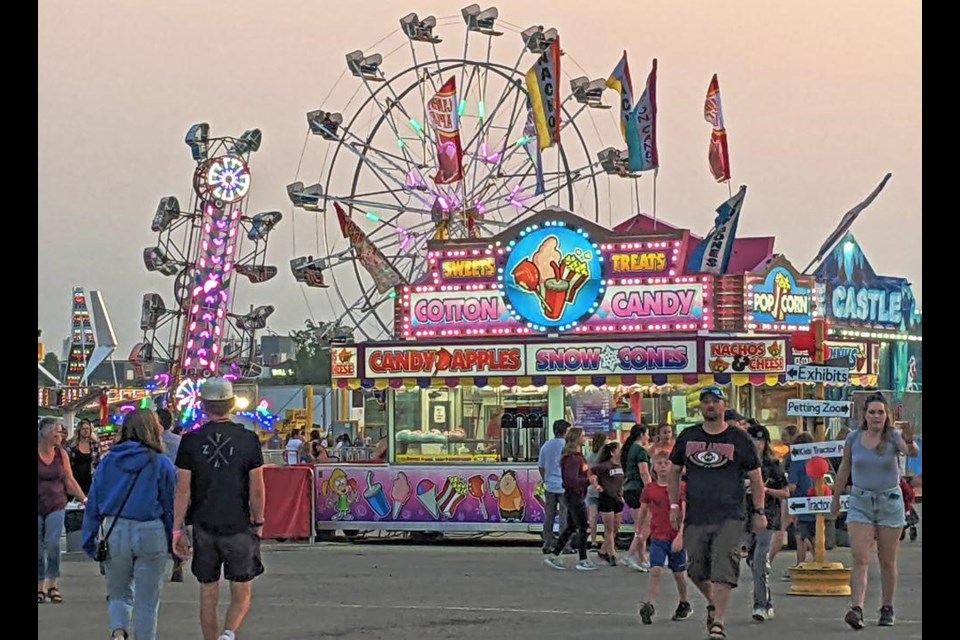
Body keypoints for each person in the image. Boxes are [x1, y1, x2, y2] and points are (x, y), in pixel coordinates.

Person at [668, 386, 765, 640]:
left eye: (715, 401)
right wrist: (674, 506)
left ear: (724, 405)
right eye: (706, 402)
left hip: (730, 514)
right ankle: (713, 602)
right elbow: (673, 470)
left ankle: (718, 622)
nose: (710, 405)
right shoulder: (688, 436)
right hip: (697, 514)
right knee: (695, 569)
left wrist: (759, 511)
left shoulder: (739, 439)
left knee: (724, 565)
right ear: (701, 407)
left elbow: (756, 478)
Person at [173, 378, 266, 640]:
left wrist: (176, 529)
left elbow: (183, 490)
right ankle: (229, 633)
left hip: (204, 524)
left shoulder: (190, 441)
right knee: (242, 591)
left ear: (204, 405)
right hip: (239, 523)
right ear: (231, 404)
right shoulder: (248, 440)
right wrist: (258, 520)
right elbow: (257, 487)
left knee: (208, 592)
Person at [82, 410, 177, 640]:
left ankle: (118, 632)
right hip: (151, 530)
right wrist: (174, 537)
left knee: (118, 594)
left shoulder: (108, 462)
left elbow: (94, 501)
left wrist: (90, 538)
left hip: (116, 529)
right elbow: (169, 504)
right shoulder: (161, 463)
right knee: (147, 601)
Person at [831, 392, 919, 629]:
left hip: (889, 501)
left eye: (881, 412)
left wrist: (910, 442)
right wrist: (836, 497)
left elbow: (910, 452)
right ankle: (856, 608)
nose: (876, 416)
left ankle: (887, 607)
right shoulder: (853, 438)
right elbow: (845, 467)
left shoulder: (893, 437)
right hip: (861, 501)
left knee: (887, 560)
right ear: (865, 415)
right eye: (872, 412)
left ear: (886, 415)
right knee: (860, 557)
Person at [638, 449, 691, 624]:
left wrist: (681, 536)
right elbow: (645, 511)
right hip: (658, 537)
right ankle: (650, 604)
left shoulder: (680, 488)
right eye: (659, 463)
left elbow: (685, 513)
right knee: (656, 570)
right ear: (653, 466)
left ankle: (684, 602)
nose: (662, 467)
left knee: (679, 573)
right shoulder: (650, 489)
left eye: (666, 463)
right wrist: (640, 533)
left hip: (675, 536)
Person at [38, 417, 87, 604]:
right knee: (38, 547)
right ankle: (40, 586)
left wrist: (84, 499)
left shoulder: (62, 454)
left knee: (53, 544)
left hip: (56, 504)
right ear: (45, 432)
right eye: (57, 431)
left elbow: (69, 480)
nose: (61, 434)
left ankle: (53, 584)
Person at [746, 422, 789, 622]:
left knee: (760, 561)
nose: (757, 444)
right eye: (753, 440)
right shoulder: (742, 464)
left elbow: (786, 492)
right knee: (752, 560)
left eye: (760, 440)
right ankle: (767, 598)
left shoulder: (773, 465)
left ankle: (760, 604)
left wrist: (766, 490)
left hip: (768, 516)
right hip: (745, 516)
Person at [543, 427, 596, 571]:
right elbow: (571, 480)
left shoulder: (577, 457)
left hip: (576, 494)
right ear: (576, 438)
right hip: (574, 495)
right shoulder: (572, 459)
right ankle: (583, 559)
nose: (585, 438)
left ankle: (554, 555)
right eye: (583, 436)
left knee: (571, 527)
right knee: (583, 527)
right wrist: (587, 481)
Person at [157, 408, 186, 583]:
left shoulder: (152, 443)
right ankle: (178, 561)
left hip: (157, 489)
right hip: (177, 489)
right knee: (176, 524)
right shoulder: (179, 441)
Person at [621, 423, 653, 571]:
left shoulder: (629, 450)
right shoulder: (640, 451)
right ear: (641, 435)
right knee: (645, 526)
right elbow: (644, 472)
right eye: (647, 434)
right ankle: (631, 554)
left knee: (639, 526)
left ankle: (642, 558)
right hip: (639, 490)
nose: (648, 437)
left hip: (629, 489)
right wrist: (651, 489)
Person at [537, 420, 570, 555]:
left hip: (550, 486)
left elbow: (541, 466)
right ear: (565, 431)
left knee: (549, 516)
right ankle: (565, 545)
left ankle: (547, 544)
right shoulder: (567, 446)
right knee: (564, 516)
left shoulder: (546, 445)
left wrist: (546, 479)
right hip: (564, 486)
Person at [591, 441, 624, 566]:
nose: (621, 452)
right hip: (606, 498)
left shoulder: (621, 465)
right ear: (612, 452)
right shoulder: (605, 466)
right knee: (609, 528)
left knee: (616, 527)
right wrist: (596, 485)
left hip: (617, 498)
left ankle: (604, 550)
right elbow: (592, 473)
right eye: (619, 450)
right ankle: (612, 553)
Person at [585, 432, 608, 550]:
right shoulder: (605, 457)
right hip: (604, 489)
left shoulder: (589, 456)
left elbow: (587, 471)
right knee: (607, 518)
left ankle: (593, 541)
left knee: (592, 517)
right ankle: (607, 541)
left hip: (592, 489)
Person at [66, 419, 100, 495]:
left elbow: (97, 462)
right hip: (75, 480)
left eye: (87, 429)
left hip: (90, 480)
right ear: (79, 430)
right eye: (83, 429)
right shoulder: (72, 445)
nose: (86, 431)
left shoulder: (94, 445)